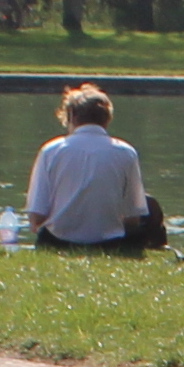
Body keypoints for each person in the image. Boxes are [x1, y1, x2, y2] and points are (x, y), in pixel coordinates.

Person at [21, 83, 157, 254]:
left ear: (71, 116)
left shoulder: (51, 151)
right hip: (110, 243)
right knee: (151, 205)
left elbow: (36, 217)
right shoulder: (125, 152)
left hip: (58, 241)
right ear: (107, 118)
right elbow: (133, 217)